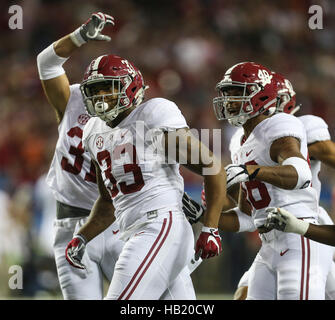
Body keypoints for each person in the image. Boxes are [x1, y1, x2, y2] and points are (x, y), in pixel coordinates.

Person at [63, 38, 228, 300]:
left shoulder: (153, 114)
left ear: (131, 87)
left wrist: (210, 228)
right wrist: (82, 237)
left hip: (160, 225)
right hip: (137, 230)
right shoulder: (93, 132)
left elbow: (212, 166)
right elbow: (108, 204)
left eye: (108, 88)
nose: (100, 97)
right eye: (95, 91)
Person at [197, 61, 333, 300]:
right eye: (228, 93)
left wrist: (250, 171)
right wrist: (205, 214)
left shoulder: (287, 125)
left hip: (302, 231)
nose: (229, 101)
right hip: (270, 241)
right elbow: (247, 217)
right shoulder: (241, 141)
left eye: (237, 93)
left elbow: (302, 175)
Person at [37, 12, 125, 299]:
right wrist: (79, 37)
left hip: (120, 225)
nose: (104, 95)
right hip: (71, 224)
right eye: (98, 86)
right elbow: (46, 62)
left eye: (112, 87)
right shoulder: (72, 100)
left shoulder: (138, 117)